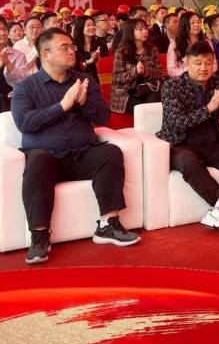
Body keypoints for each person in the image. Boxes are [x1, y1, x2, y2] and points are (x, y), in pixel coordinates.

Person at [11, 28, 140, 264]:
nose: (72, 51)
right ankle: (39, 236)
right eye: (65, 47)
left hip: (82, 155)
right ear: (46, 54)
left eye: (72, 46)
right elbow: (24, 123)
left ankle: (108, 224)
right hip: (48, 159)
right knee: (37, 159)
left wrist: (83, 103)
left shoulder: (85, 81)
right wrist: (62, 106)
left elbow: (103, 117)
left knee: (110, 152)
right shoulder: (26, 87)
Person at [157, 40, 219, 233]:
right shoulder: (172, 86)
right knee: (188, 162)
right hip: (180, 145)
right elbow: (177, 124)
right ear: (187, 63)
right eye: (198, 63)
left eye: (208, 63)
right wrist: (209, 109)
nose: (204, 68)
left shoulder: (217, 82)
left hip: (210, 144)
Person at [110, 18, 163, 114]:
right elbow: (116, 77)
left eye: (146, 28)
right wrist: (135, 71)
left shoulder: (152, 49)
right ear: (130, 32)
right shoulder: (122, 51)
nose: (145, 32)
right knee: (142, 109)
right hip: (126, 92)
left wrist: (146, 70)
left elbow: (159, 74)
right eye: (140, 29)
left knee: (154, 104)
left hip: (148, 88)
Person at [168, 12, 215, 77]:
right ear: (184, 25)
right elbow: (171, 71)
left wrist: (204, 72)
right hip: (184, 79)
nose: (197, 25)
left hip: (205, 78)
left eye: (198, 22)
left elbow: (214, 64)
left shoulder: (207, 43)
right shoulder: (175, 45)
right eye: (192, 22)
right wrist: (193, 70)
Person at [5, 16, 42, 86]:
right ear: (25, 29)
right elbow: (23, 67)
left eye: (39, 27)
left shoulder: (46, 42)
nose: (35, 30)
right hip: (29, 83)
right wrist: (37, 47)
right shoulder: (18, 45)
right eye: (31, 27)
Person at [71, 15, 107, 83]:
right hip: (79, 80)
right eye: (88, 25)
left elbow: (106, 66)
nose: (92, 27)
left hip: (98, 79)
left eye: (93, 25)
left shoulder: (101, 43)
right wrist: (88, 62)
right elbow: (73, 68)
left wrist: (99, 58)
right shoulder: (72, 45)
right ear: (80, 27)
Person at [0, 18, 25, 112]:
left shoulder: (18, 55)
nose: (3, 33)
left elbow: (24, 82)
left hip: (10, 102)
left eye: (4, 29)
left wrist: (9, 64)